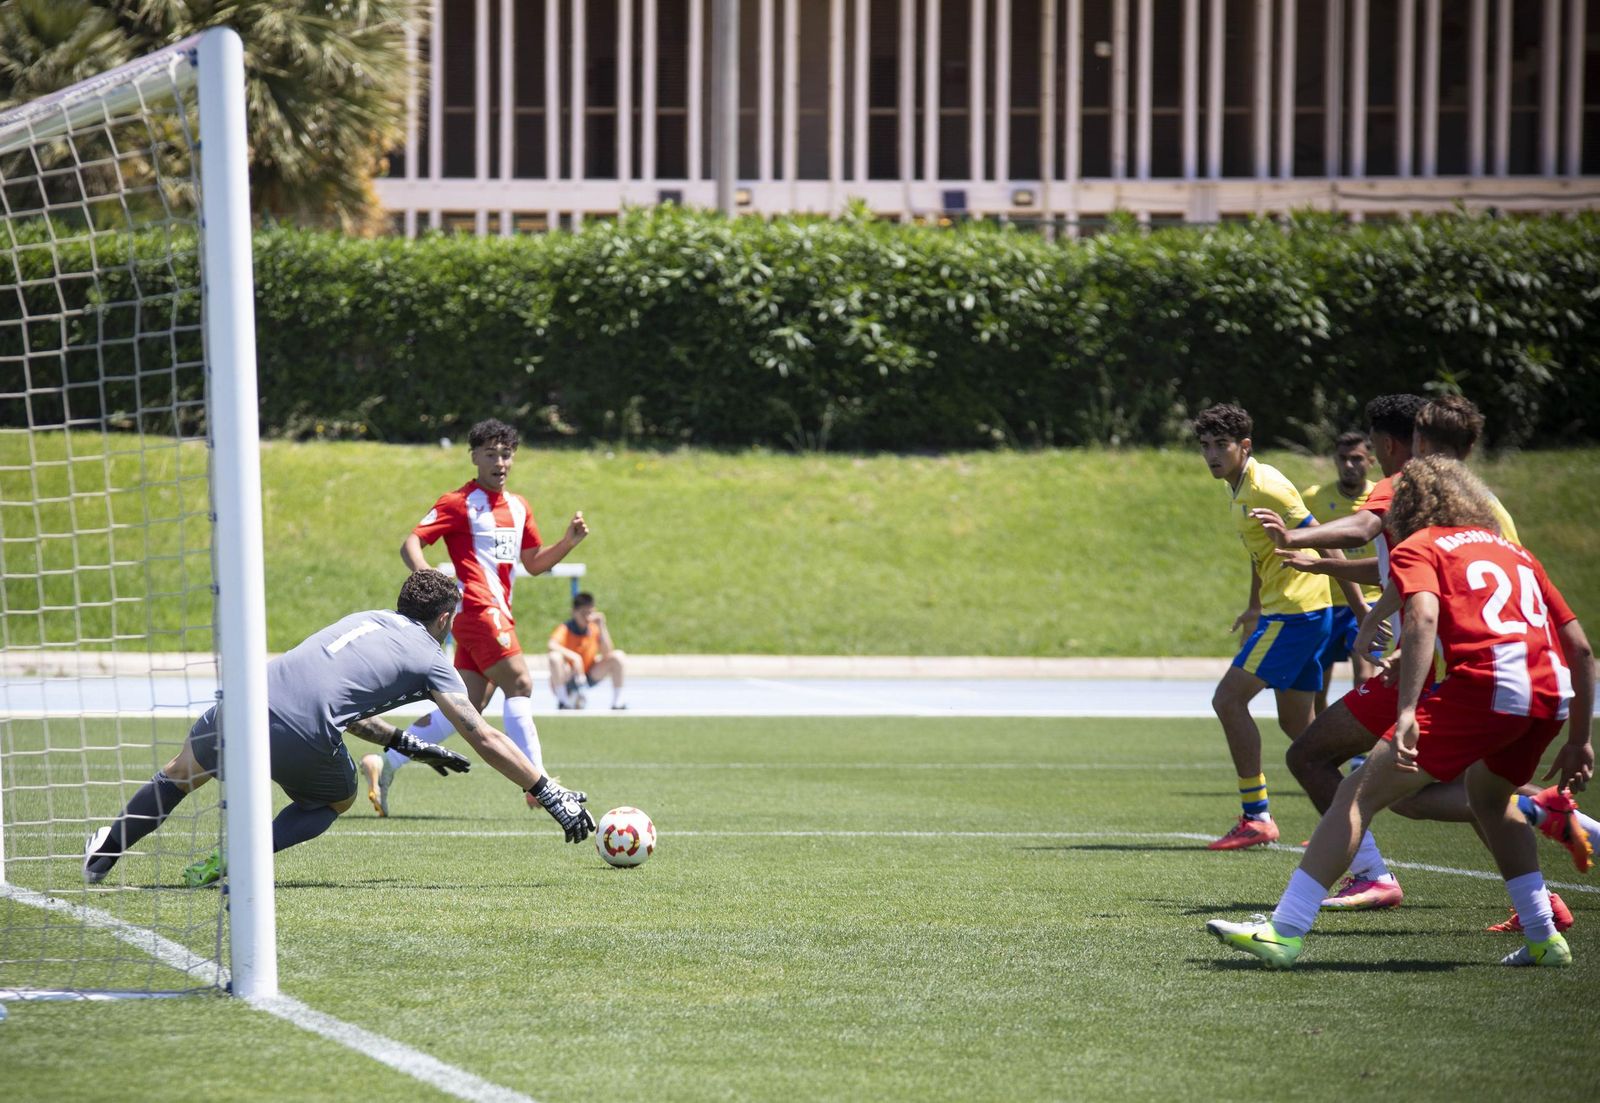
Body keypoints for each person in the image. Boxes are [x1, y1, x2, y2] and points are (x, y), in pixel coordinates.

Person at [1207, 455, 1594, 969]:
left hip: (1484, 687)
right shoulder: (1513, 551)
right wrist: (1579, 740)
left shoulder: (1420, 544)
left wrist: (1408, 709)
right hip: (1548, 693)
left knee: (1356, 793)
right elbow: (1580, 648)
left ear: (1404, 507)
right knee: (1490, 800)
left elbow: (1424, 618)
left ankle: (1284, 931)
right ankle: (1545, 937)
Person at [82, 570, 595, 887]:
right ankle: (241, 854)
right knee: (334, 800)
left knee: (179, 774)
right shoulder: (431, 657)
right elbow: (482, 734)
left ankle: (107, 850)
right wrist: (547, 791)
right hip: (301, 732)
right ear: (444, 619)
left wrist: (401, 741)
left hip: (245, 698)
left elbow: (334, 698)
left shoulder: (365, 618)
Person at [360, 418, 588, 817]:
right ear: (474, 458)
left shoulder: (519, 507)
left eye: (506, 454)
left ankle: (385, 763)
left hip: (495, 613)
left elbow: (534, 563)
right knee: (519, 682)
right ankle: (541, 785)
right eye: (490, 454)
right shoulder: (458, 502)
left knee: (466, 707)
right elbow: (411, 543)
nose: (500, 462)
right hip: (477, 610)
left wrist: (567, 542)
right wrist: (433, 583)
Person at [1194, 404, 1348, 851]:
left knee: (1228, 700)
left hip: (1296, 616)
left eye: (1221, 445)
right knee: (1298, 725)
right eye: (1205, 446)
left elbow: (1325, 539)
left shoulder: (1267, 488)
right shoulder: (1239, 488)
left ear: (1245, 446)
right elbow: (1262, 553)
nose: (1211, 455)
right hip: (1296, 612)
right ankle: (1347, 811)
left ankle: (1256, 816)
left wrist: (1360, 608)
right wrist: (1254, 605)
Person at [1299, 431, 1382, 713]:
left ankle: (1359, 738)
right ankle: (1324, 735)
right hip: (1327, 601)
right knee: (1318, 685)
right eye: (1343, 458)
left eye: (1356, 458)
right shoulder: (1314, 498)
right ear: (1335, 460)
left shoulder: (1382, 496)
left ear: (1371, 461)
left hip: (1370, 599)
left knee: (1365, 676)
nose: (1349, 465)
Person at [548, 592, 628, 710]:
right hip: (569, 676)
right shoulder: (565, 628)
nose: (586, 617)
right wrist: (575, 657)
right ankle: (563, 701)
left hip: (589, 675)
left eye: (590, 613)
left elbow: (607, 652)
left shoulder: (594, 628)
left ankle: (617, 702)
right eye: (583, 613)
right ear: (573, 612)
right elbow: (551, 645)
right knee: (554, 657)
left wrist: (602, 626)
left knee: (618, 656)